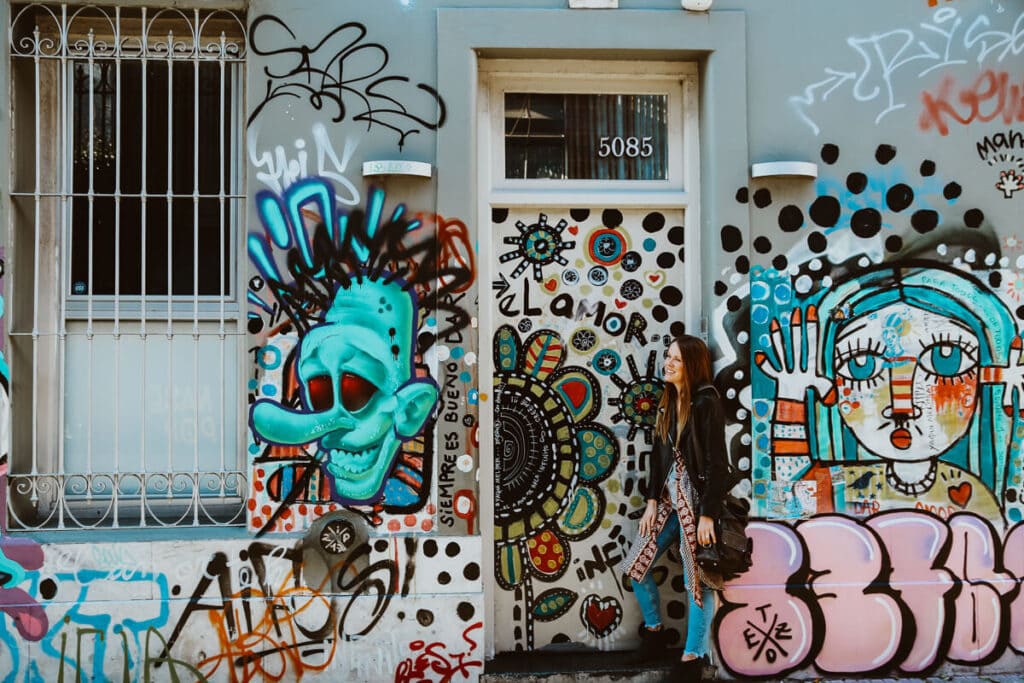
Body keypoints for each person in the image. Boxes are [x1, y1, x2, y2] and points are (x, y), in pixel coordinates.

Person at [620, 333, 728, 681]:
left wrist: (708, 514)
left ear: (692, 366)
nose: (668, 363)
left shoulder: (706, 401)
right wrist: (652, 501)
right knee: (636, 563)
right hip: (668, 504)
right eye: (668, 357)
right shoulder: (667, 402)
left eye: (677, 359)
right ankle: (654, 632)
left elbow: (717, 464)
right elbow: (658, 458)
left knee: (698, 580)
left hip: (696, 506)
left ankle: (691, 659)